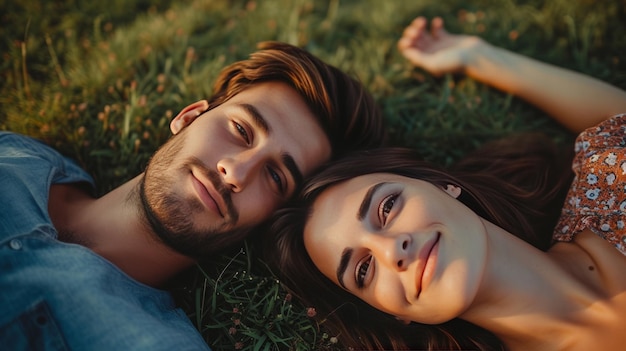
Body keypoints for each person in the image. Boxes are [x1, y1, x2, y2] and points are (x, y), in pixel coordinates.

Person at [269, 17, 626, 350]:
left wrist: (476, 56)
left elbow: (613, 117)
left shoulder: (610, 184)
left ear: (443, 185)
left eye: (388, 207)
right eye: (364, 269)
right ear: (394, 314)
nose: (393, 251)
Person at [0, 41, 385, 350]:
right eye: (241, 129)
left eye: (274, 176)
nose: (235, 172)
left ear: (272, 220)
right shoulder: (18, 155)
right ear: (189, 116)